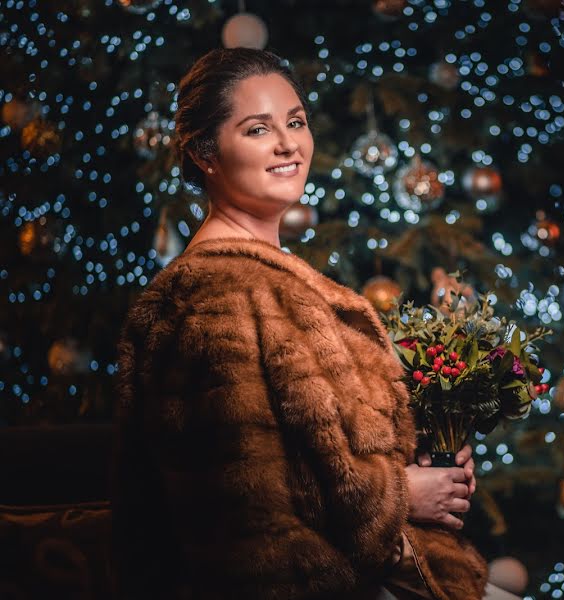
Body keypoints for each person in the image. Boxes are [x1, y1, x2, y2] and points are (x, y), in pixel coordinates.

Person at [111, 47, 521, 599]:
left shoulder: (275, 281)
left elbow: (314, 449)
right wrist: (401, 493)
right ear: (205, 152)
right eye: (258, 129)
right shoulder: (218, 297)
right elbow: (247, 512)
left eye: (296, 122)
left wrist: (424, 460)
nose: (288, 144)